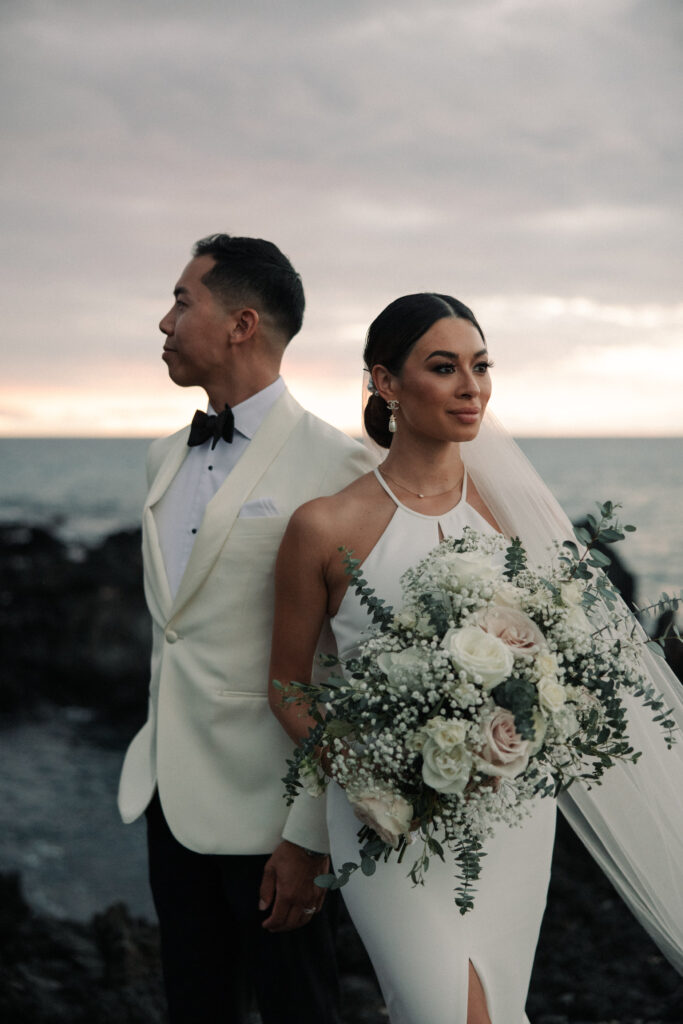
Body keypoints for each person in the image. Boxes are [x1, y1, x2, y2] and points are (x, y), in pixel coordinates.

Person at [269, 293, 683, 1023]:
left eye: (481, 366)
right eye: (443, 367)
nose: (471, 387)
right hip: (386, 817)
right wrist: (365, 780)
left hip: (511, 810)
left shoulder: (512, 515)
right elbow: (287, 687)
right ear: (386, 383)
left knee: (493, 1009)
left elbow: (567, 663)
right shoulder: (324, 525)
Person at [117, 233, 375, 1024]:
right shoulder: (163, 458)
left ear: (241, 323)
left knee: (301, 1009)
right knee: (194, 1006)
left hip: (275, 812)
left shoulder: (342, 470)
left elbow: (349, 671)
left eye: (182, 300)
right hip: (168, 794)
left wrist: (310, 833)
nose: (163, 322)